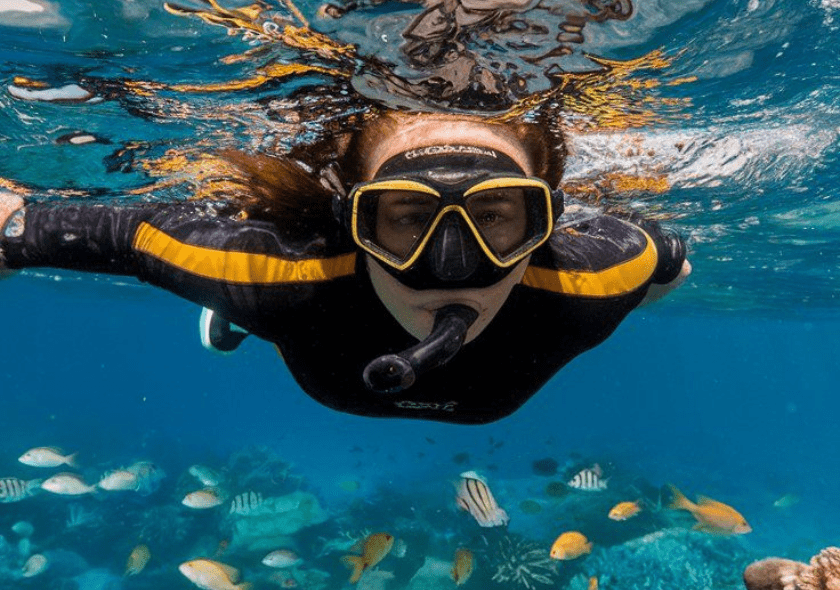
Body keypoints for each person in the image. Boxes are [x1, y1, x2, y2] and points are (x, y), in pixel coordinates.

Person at [0, 110, 689, 424]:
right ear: (355, 225)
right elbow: (126, 230)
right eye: (408, 218)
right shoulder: (283, 283)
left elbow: (661, 256)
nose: (454, 268)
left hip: (315, 349)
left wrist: (658, 280)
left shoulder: (590, 280)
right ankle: (232, 321)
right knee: (256, 290)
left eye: (497, 214)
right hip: (296, 325)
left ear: (544, 224)